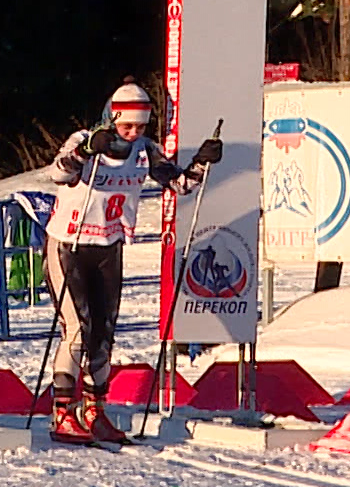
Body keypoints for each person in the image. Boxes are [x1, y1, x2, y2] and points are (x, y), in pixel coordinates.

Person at [43, 78, 221, 445]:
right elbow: (58, 173)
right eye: (127, 126)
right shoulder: (85, 139)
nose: (133, 133)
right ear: (112, 117)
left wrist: (202, 162)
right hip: (69, 245)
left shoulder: (145, 150)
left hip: (109, 246)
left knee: (103, 334)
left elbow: (180, 185)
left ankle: (94, 411)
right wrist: (86, 151)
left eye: (140, 126)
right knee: (77, 330)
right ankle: (62, 413)